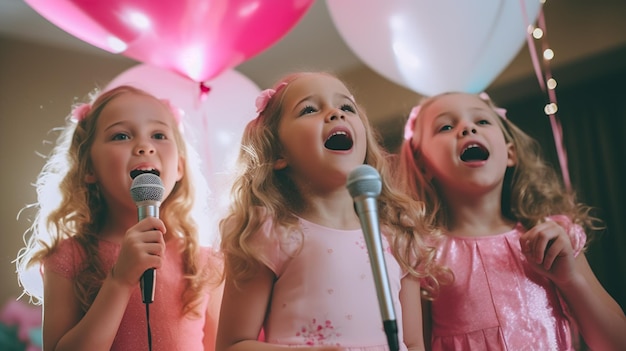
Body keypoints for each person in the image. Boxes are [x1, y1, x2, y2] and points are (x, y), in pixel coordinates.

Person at [215, 72, 450, 351]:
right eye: (309, 109)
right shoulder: (269, 232)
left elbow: (412, 343)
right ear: (278, 153)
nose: (335, 114)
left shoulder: (397, 231)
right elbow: (233, 345)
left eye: (346, 107)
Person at [396, 91, 626, 350]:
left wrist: (570, 280)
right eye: (446, 126)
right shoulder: (422, 257)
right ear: (422, 163)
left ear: (510, 153)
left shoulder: (553, 238)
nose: (467, 128)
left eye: (482, 121)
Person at [15, 85, 223, 351]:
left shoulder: (204, 263)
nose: (145, 146)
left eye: (159, 134)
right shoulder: (69, 256)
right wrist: (119, 280)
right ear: (88, 167)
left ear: (180, 166)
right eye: (121, 135)